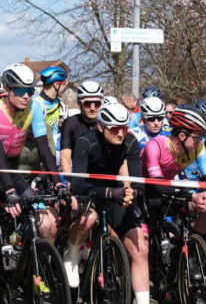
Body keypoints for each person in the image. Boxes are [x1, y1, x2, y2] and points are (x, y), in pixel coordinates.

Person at [0, 63, 69, 285]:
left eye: (30, 91)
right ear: (7, 89)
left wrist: (59, 183)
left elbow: (44, 149)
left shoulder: (34, 108)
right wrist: (9, 191)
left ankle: (26, 270)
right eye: (20, 90)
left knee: (36, 214)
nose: (26, 96)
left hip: (11, 170)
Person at [67, 103, 149, 302]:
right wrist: (107, 192)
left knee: (142, 249)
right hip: (90, 190)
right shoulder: (85, 141)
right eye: (115, 129)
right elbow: (77, 183)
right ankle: (71, 255)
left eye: (124, 128)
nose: (121, 134)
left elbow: (138, 180)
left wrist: (133, 193)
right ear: (102, 127)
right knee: (88, 219)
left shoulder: (130, 141)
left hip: (115, 192)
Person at [143, 108, 206, 233]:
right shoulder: (155, 146)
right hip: (147, 190)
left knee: (205, 206)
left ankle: (191, 245)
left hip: (169, 186)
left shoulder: (198, 148)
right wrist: (192, 195)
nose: (200, 141)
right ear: (182, 136)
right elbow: (158, 184)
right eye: (197, 137)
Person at [59, 80, 104, 175]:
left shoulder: (106, 123)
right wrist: (70, 180)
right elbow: (65, 157)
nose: (92, 108)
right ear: (79, 103)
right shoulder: (70, 123)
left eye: (97, 104)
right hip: (79, 177)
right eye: (88, 104)